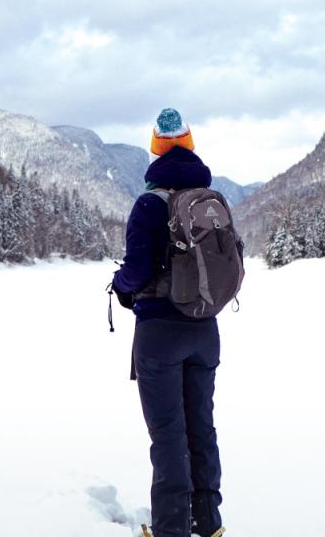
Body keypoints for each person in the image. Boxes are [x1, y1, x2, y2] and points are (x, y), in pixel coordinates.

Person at [112, 108, 226, 537]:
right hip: (205, 330)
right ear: (191, 145)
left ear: (155, 150)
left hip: (159, 332)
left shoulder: (149, 203)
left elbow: (137, 271)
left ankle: (171, 530)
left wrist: (120, 284)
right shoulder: (211, 202)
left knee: (168, 434)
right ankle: (208, 522)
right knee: (201, 426)